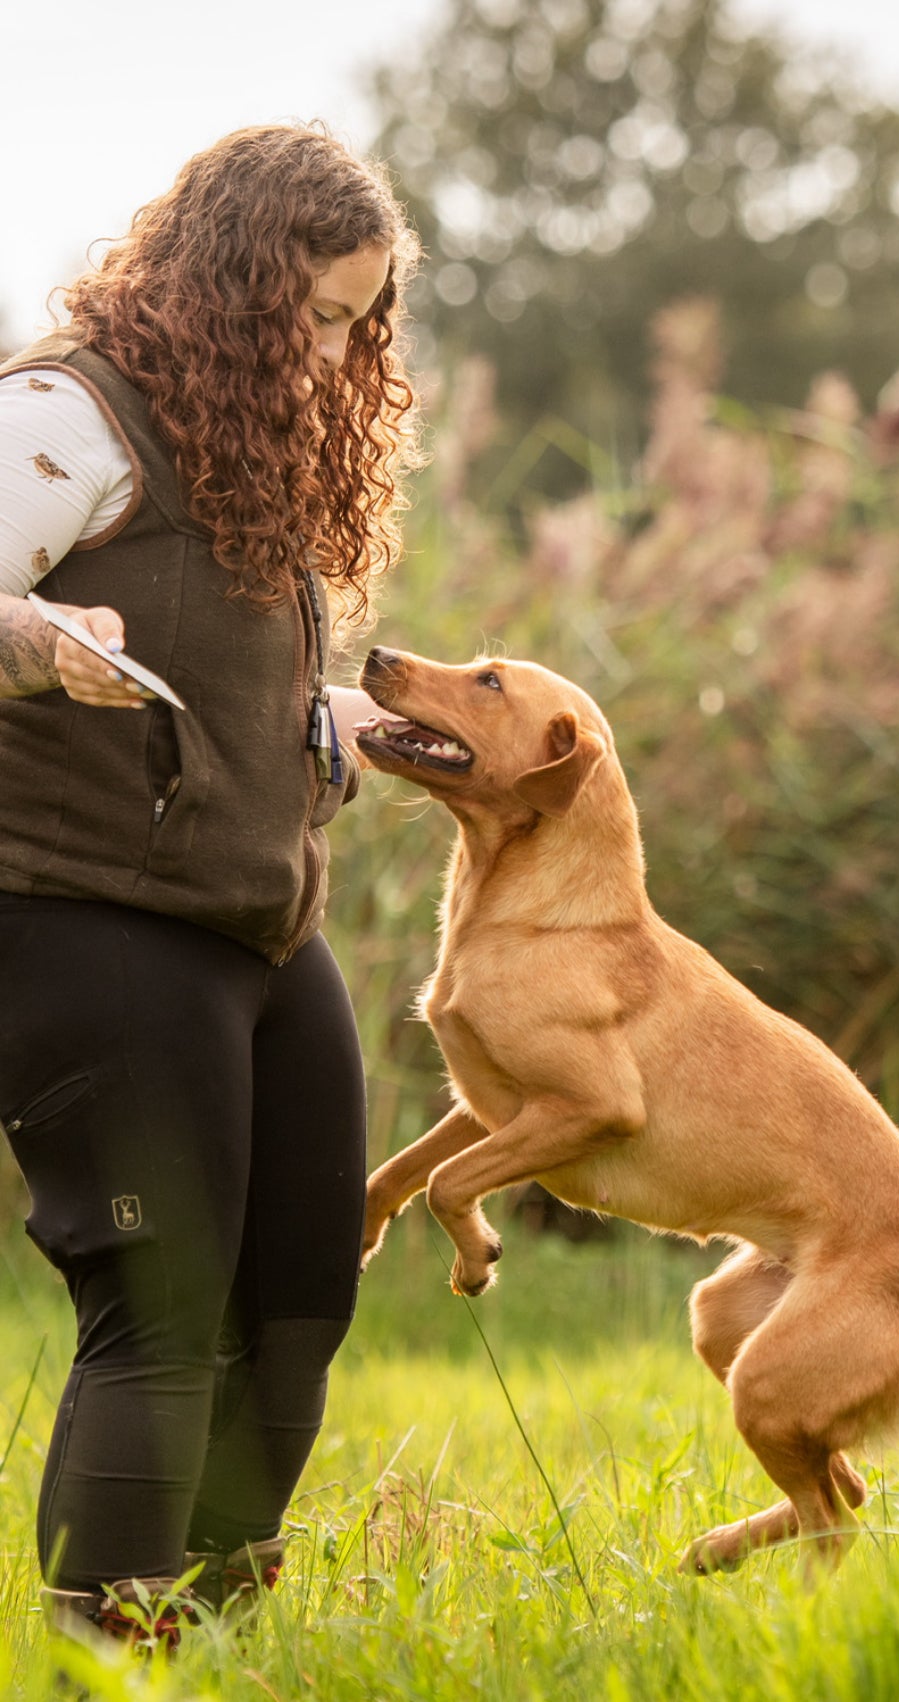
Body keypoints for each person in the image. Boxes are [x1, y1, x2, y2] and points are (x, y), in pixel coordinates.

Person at [0, 125, 422, 1647]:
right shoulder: (67, 414)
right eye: (306, 315)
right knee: (159, 1309)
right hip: (83, 914)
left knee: (299, 1295)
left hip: (258, 920)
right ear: (223, 285)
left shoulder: (257, 448)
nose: (327, 354)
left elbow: (240, 686)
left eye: (354, 324)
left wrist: (343, 725)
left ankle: (218, 1636)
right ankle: (101, 1652)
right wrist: (40, 645)